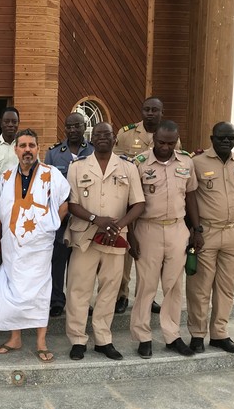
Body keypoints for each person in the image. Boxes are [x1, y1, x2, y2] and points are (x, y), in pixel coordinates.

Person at [0, 129, 70, 362]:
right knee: (11, 288)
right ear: (16, 150)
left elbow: (64, 202)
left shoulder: (51, 174)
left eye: (31, 145)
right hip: (12, 245)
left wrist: (50, 225)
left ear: (38, 148)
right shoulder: (5, 176)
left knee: (40, 291)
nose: (27, 150)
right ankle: (15, 337)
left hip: (40, 246)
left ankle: (41, 341)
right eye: (22, 146)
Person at [64, 122, 145, 361]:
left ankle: (103, 339)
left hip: (115, 238)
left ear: (114, 140)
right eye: (97, 135)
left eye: (107, 135)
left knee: (109, 289)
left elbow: (138, 203)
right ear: (92, 139)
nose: (102, 139)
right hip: (86, 237)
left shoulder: (127, 168)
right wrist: (96, 219)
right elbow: (71, 203)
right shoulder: (77, 167)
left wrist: (119, 225)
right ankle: (77, 339)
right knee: (78, 289)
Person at [128, 121, 203, 358]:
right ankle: (143, 336)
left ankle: (172, 335)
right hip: (147, 229)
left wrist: (197, 230)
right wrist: (131, 235)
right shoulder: (138, 164)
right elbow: (130, 202)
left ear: (176, 141)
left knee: (173, 286)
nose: (165, 147)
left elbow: (190, 196)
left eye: (171, 143)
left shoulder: (186, 162)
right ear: (154, 140)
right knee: (146, 286)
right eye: (161, 142)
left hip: (177, 229)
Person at [186, 122, 234, 354]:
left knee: (226, 287)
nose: (226, 141)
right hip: (206, 232)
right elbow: (190, 199)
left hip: (233, 232)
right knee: (200, 287)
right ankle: (197, 334)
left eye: (231, 138)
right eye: (221, 138)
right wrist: (194, 230)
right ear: (212, 138)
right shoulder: (196, 162)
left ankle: (219, 334)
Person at [113, 97, 180, 315]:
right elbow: (115, 166)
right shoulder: (126, 133)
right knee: (125, 255)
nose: (150, 113)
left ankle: (146, 297)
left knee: (150, 260)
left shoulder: (170, 136)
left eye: (155, 110)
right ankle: (121, 294)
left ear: (162, 112)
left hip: (156, 207)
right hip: (129, 204)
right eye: (147, 109)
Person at [44, 112, 94, 317]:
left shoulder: (93, 151)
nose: (73, 130)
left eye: (77, 126)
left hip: (84, 218)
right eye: (69, 127)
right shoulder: (54, 153)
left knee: (82, 264)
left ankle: (80, 300)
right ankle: (57, 299)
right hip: (60, 218)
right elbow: (46, 187)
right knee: (58, 261)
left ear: (84, 127)